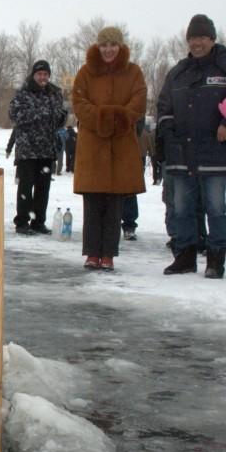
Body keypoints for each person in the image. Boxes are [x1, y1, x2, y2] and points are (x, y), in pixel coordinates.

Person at [158, 14, 226, 278]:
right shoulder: (178, 72)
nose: (197, 42)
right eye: (192, 37)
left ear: (212, 39)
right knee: (181, 207)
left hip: (217, 151)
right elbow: (164, 106)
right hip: (182, 152)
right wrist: (169, 131)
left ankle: (216, 259)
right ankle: (185, 256)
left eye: (202, 37)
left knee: (216, 207)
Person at [71, 27, 148, 271]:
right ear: (98, 46)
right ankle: (92, 252)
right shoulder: (85, 72)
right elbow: (78, 102)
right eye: (104, 45)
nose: (108, 50)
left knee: (114, 203)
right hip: (92, 146)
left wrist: (118, 118)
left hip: (121, 145)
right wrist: (102, 118)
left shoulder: (133, 72)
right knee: (92, 202)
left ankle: (109, 254)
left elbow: (139, 101)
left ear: (120, 46)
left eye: (113, 45)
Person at [8, 60, 67, 234]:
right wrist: (40, 112)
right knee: (25, 188)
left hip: (47, 148)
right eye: (40, 74)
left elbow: (58, 117)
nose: (43, 77)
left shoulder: (54, 93)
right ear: (34, 75)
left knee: (43, 188)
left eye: (45, 74)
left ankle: (38, 221)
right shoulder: (23, 93)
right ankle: (22, 222)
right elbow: (14, 114)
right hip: (28, 149)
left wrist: (61, 117)